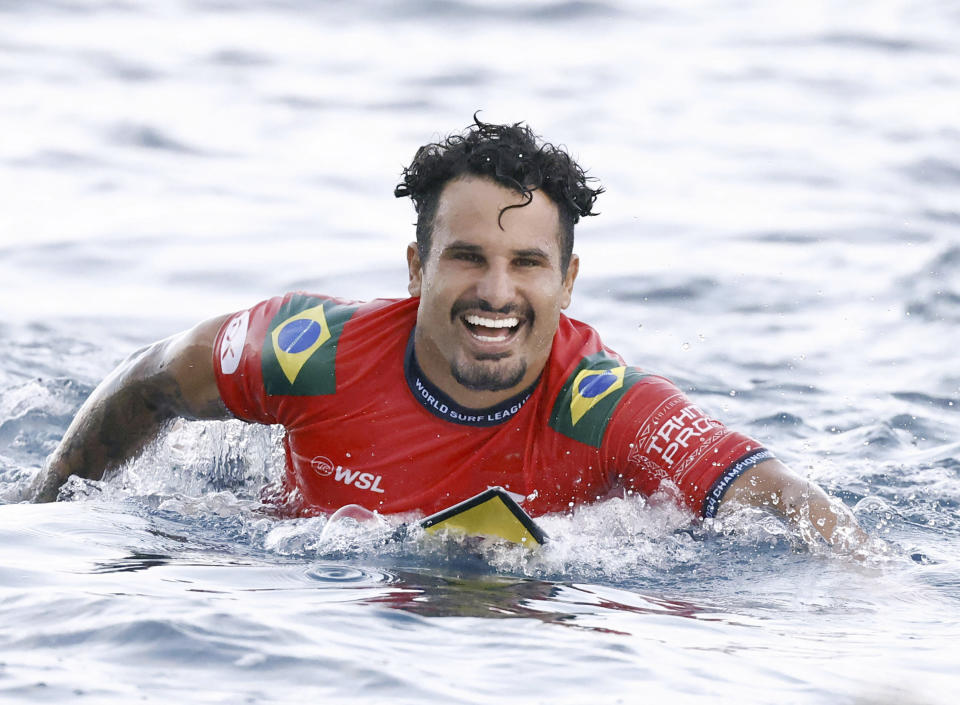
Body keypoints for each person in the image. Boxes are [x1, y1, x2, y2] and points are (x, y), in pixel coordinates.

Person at [30, 116, 865, 550]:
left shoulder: (605, 406)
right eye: (467, 257)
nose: (496, 293)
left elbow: (782, 496)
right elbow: (145, 382)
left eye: (528, 264)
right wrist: (36, 522)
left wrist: (889, 609)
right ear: (416, 268)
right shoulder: (307, 351)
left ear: (567, 281)